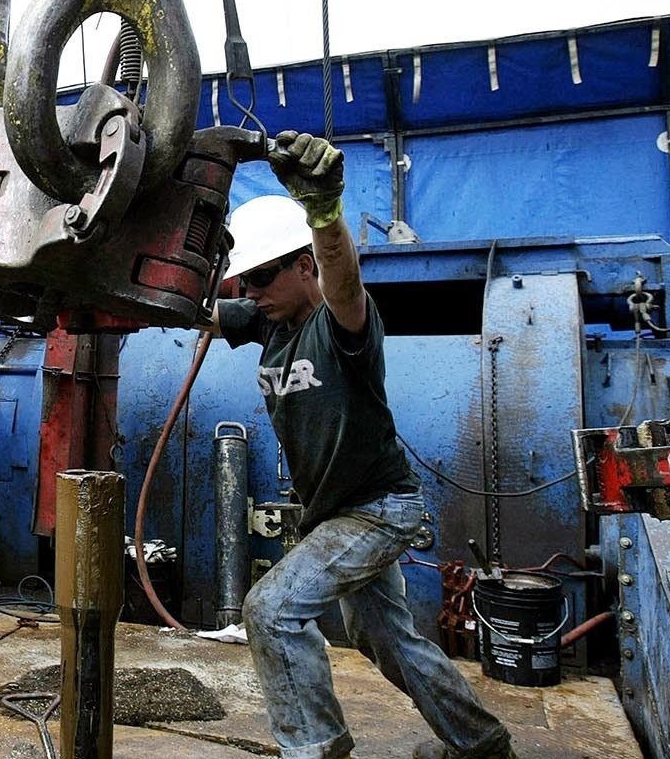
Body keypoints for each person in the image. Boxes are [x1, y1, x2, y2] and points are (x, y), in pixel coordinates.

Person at [202, 133, 515, 759]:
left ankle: (315, 750)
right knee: (388, 642)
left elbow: (345, 279)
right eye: (245, 281)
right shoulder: (268, 320)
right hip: (337, 515)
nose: (252, 290)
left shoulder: (341, 325)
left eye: (263, 276)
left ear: (304, 265)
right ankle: (481, 746)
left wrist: (323, 212)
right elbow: (192, 310)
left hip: (377, 507)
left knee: (271, 609)